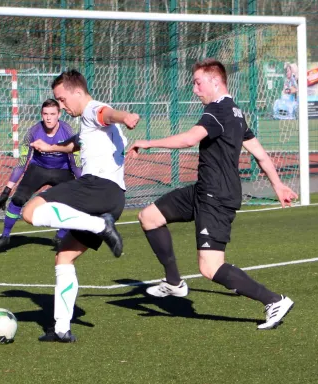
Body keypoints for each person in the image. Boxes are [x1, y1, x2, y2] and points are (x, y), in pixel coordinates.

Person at [127, 59, 298, 330]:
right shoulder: (236, 112)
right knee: (149, 216)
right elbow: (261, 155)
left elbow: (189, 139)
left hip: (216, 197)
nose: (195, 89)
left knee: (210, 268)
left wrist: (148, 142)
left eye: (198, 83)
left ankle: (274, 300)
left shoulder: (217, 110)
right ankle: (173, 282)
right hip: (202, 190)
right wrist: (277, 185)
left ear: (216, 82)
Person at [20, 69, 140, 342]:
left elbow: (107, 113)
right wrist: (51, 148)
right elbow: (77, 143)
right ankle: (62, 328)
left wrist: (125, 116)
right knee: (64, 256)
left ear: (77, 92)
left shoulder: (92, 109)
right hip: (113, 198)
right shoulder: (89, 125)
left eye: (62, 100)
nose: (61, 106)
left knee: (31, 212)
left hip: (96, 188)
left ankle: (100, 225)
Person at [0, 99, 81, 253]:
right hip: (38, 169)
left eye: (52, 114)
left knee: (75, 201)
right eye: (45, 114)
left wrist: (83, 183)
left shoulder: (68, 131)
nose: (49, 118)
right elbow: (22, 163)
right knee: (17, 200)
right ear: (41, 115)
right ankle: (4, 237)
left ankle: (61, 235)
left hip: (63, 171)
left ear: (59, 115)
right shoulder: (33, 132)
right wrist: (6, 191)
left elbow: (75, 162)